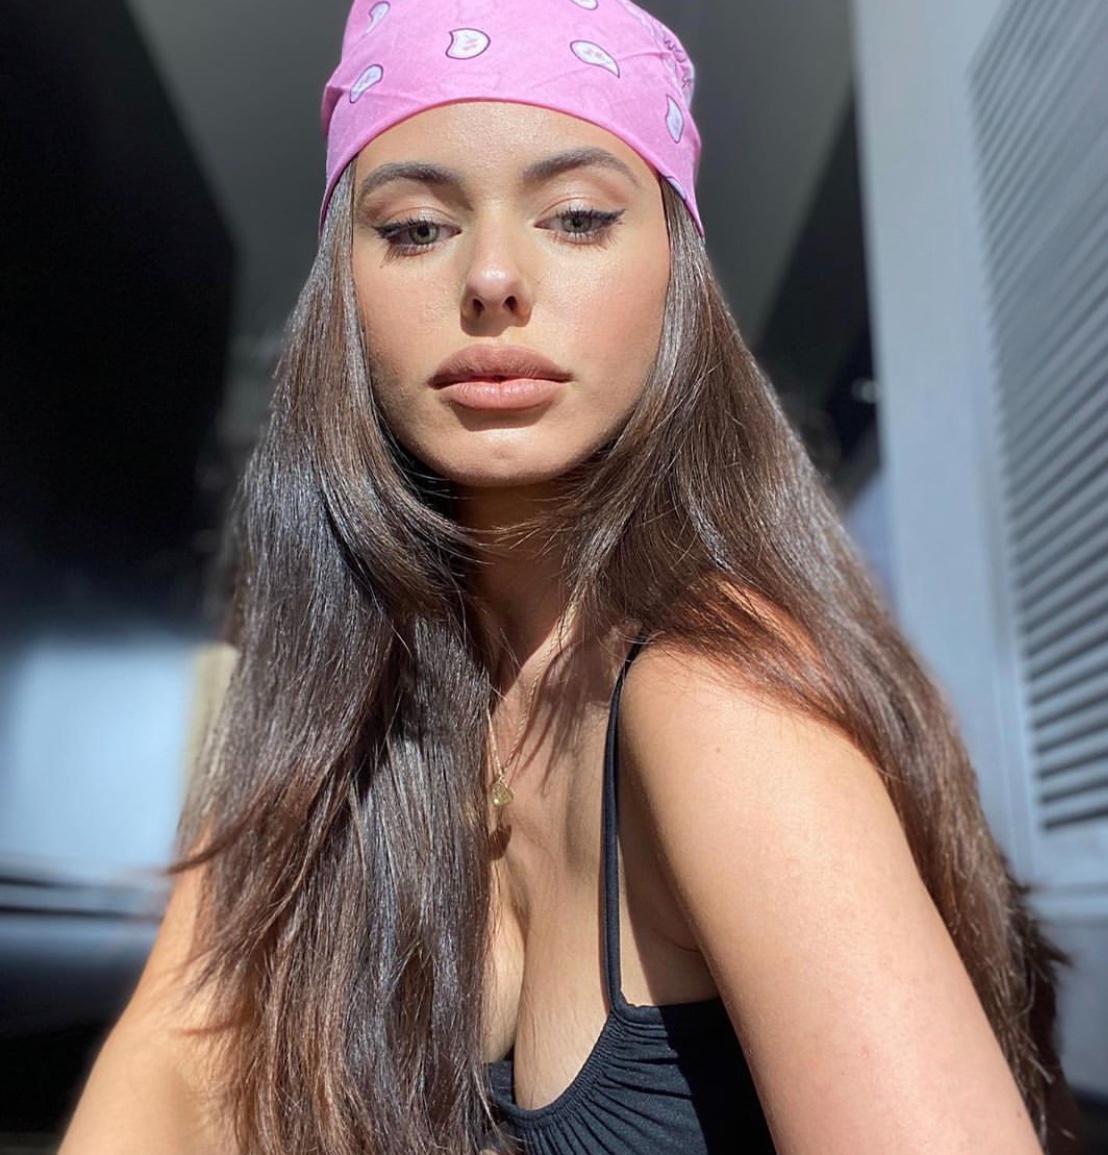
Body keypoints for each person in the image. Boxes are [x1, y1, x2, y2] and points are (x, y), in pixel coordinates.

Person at [58, 1, 1086, 1153]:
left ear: (676, 276)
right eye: (414, 228)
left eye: (579, 217)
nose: (493, 276)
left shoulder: (714, 696)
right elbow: (175, 1053)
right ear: (343, 295)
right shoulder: (335, 694)